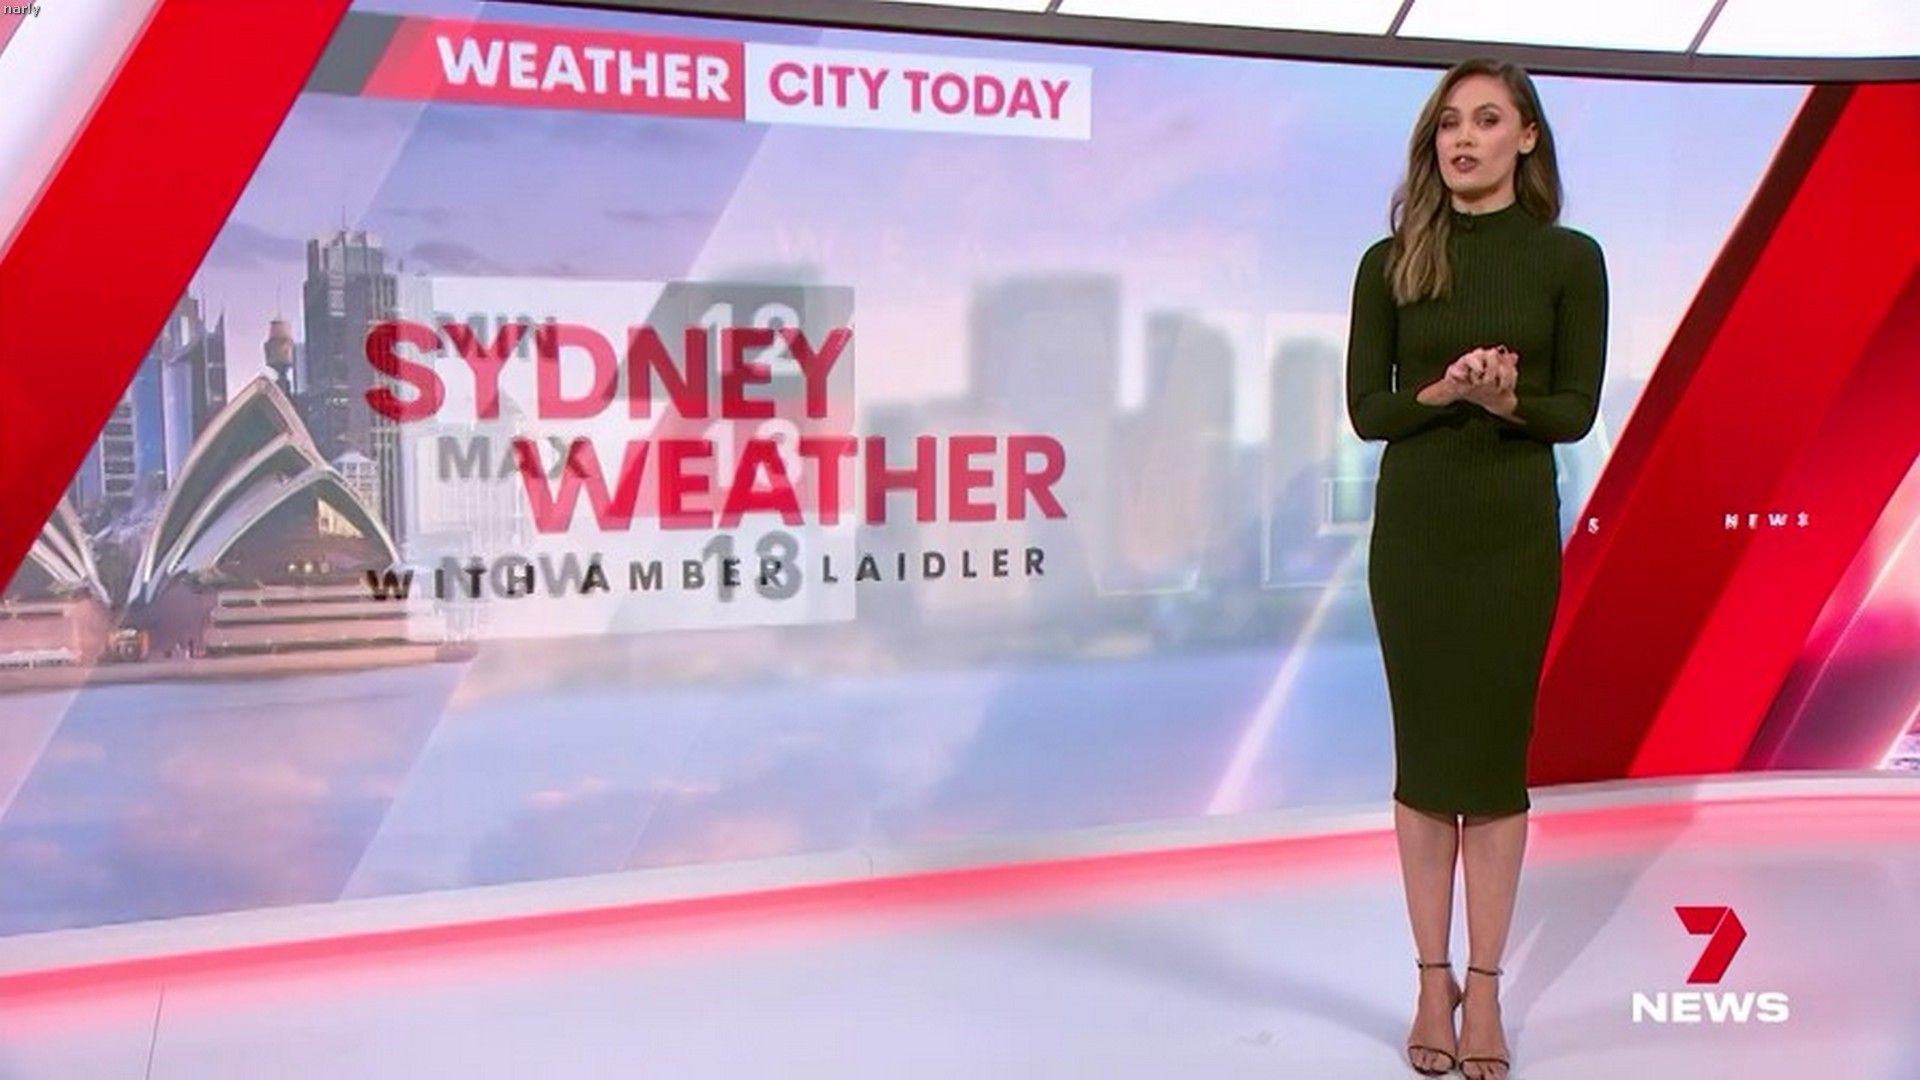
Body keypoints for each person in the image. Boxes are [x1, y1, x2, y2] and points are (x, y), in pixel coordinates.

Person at [1343, 57, 1608, 1079]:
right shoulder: (1391, 263)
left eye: (1487, 119)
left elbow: (1572, 410)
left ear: (1526, 137)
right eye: (1450, 122)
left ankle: (1485, 989)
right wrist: (1449, 391)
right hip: (1416, 538)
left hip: (1509, 537)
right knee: (1424, 764)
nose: (1464, 138)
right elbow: (1369, 412)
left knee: (1493, 766)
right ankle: (1430, 980)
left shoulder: (1569, 260)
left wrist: (1505, 403)